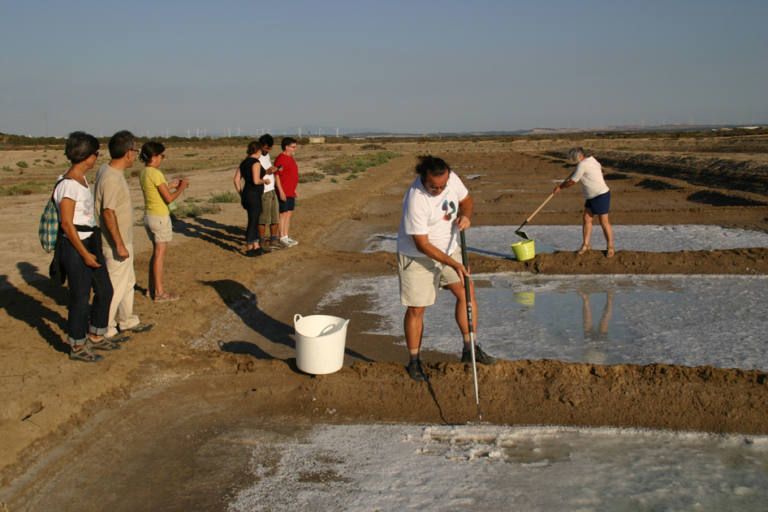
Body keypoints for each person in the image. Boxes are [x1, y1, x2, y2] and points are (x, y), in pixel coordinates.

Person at [396, 155, 496, 382]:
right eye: (434, 187)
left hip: (450, 250)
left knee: (466, 292)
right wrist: (454, 263)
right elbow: (422, 244)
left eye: (442, 185)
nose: (439, 190)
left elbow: (467, 201)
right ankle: (414, 361)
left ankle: (470, 348)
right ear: (423, 178)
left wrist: (466, 217)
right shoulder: (416, 199)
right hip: (417, 257)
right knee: (417, 309)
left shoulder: (451, 180)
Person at [54, 132, 116, 362]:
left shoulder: (81, 179)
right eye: (95, 153)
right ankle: (77, 346)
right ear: (86, 156)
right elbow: (67, 224)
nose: (96, 157)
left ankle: (96, 335)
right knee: (80, 298)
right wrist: (85, 254)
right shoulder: (68, 184)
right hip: (75, 245)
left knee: (105, 290)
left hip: (90, 239)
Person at [94, 131, 153, 338]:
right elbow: (108, 212)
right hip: (114, 244)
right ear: (128, 152)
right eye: (135, 150)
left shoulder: (109, 172)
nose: (136, 155)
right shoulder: (110, 177)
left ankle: (127, 320)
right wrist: (118, 244)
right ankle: (106, 328)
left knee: (128, 283)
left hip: (124, 241)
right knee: (115, 287)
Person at [139, 141, 188, 301]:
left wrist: (169, 185)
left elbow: (156, 191)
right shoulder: (156, 173)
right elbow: (168, 198)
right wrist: (181, 187)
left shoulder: (144, 172)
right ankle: (159, 293)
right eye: (161, 155)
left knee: (155, 254)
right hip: (159, 217)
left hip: (149, 216)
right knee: (160, 255)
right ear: (154, 156)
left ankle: (151, 288)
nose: (162, 159)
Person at [553, 147, 615, 257]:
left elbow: (572, 182)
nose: (573, 160)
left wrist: (560, 187)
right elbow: (597, 170)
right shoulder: (591, 160)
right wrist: (579, 171)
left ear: (579, 156)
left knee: (604, 221)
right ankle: (586, 245)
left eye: (573, 158)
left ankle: (610, 247)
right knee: (587, 218)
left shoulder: (582, 165)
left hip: (601, 194)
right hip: (591, 196)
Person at [233, 140, 266, 256]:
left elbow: (236, 180)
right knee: (253, 221)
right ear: (258, 150)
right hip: (254, 195)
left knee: (254, 219)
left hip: (247, 194)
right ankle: (249, 247)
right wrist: (265, 180)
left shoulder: (244, 162)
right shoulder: (255, 162)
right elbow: (256, 180)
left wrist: (241, 193)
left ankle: (256, 246)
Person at [254, 134, 282, 251]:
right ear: (261, 145)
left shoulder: (267, 155)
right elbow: (255, 176)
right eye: (266, 148)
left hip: (272, 190)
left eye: (270, 148)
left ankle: (274, 239)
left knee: (275, 217)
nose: (268, 150)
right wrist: (267, 171)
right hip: (263, 192)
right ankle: (262, 240)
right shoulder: (256, 158)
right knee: (263, 218)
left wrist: (274, 169)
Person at [274, 137, 299, 247]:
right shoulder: (281, 159)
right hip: (284, 191)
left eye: (295, 147)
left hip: (290, 191)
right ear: (286, 147)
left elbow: (291, 175)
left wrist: (294, 189)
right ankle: (281, 237)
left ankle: (286, 236)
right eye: (293, 147)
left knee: (289, 213)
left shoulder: (291, 158)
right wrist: (281, 191)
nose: (295, 149)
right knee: (283, 214)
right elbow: (277, 176)